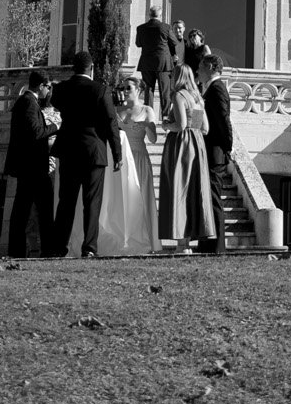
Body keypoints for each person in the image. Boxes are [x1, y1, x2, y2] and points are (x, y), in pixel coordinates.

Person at [50, 51, 122, 259]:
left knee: (66, 202)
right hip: (93, 151)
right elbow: (111, 123)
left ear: (74, 68)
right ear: (91, 69)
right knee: (92, 203)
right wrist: (117, 153)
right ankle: (89, 247)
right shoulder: (100, 90)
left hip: (69, 150)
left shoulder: (61, 89)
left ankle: (58, 247)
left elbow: (54, 103)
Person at [96, 80, 160, 257]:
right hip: (121, 159)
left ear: (139, 90)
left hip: (138, 157)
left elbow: (154, 139)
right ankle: (121, 238)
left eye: (129, 88)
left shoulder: (147, 110)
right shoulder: (117, 110)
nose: (125, 91)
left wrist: (147, 126)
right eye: (123, 88)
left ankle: (147, 239)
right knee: (120, 198)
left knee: (140, 196)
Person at [159, 62, 215, 251]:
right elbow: (206, 128)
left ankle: (181, 242)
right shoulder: (198, 98)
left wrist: (167, 125)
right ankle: (191, 240)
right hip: (198, 144)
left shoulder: (179, 96)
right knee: (194, 189)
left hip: (182, 144)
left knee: (179, 187)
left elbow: (181, 125)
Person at [4, 70, 54, 258]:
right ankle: (46, 249)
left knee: (23, 209)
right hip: (32, 167)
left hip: (28, 166)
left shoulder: (27, 102)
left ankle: (18, 250)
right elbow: (36, 132)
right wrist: (56, 127)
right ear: (41, 86)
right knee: (40, 208)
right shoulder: (28, 103)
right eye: (48, 87)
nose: (48, 91)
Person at [199, 55, 234, 256]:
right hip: (209, 150)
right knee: (208, 197)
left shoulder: (217, 88)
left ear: (211, 67)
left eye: (201, 67)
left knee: (214, 198)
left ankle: (218, 247)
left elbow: (223, 120)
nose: (198, 70)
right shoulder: (209, 89)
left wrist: (228, 147)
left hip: (216, 151)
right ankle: (208, 243)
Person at [134, 7, 178, 119]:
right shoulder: (165, 27)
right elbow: (174, 42)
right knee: (165, 92)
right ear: (160, 15)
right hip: (163, 63)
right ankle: (165, 117)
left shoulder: (141, 28)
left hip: (147, 63)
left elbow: (138, 44)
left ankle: (149, 118)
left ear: (149, 14)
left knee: (148, 91)